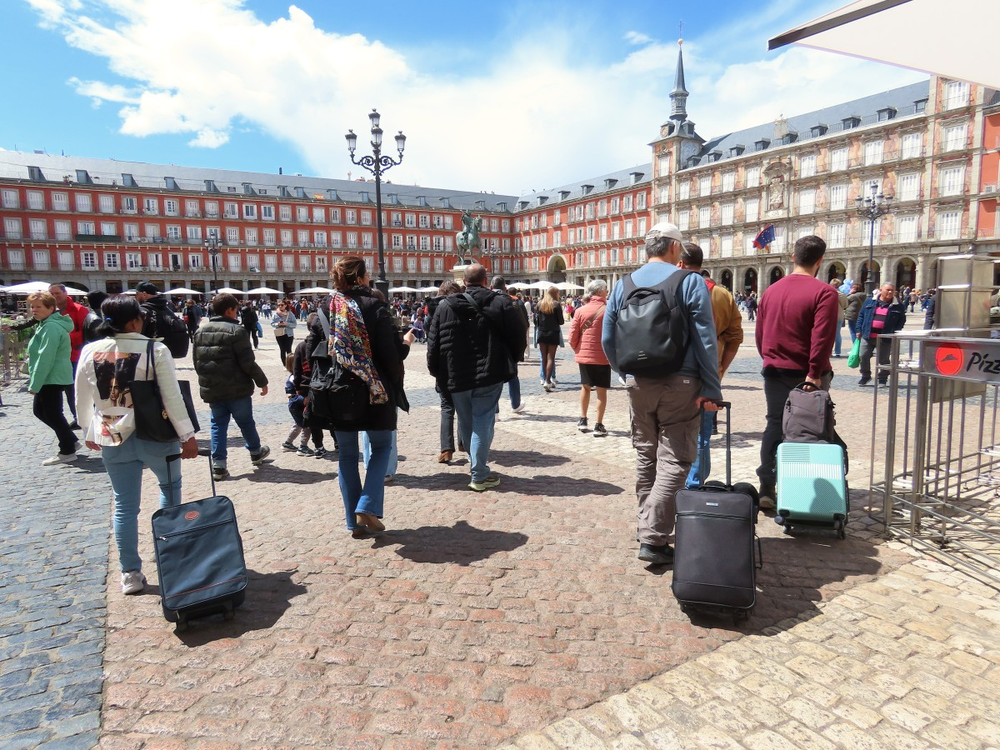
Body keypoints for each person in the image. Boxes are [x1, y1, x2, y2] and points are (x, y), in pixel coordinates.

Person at [602, 223, 722, 566]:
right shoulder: (690, 282)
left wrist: (625, 372)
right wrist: (711, 387)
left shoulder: (622, 285)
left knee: (646, 456)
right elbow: (705, 339)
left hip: (637, 383)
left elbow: (608, 337)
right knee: (676, 459)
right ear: (674, 248)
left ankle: (647, 527)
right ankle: (653, 537)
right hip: (681, 382)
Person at [75, 295, 198, 594]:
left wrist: (87, 428)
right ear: (134, 321)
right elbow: (171, 395)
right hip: (153, 431)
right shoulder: (155, 349)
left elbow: (81, 393)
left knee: (124, 506)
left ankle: (130, 572)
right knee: (170, 493)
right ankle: (171, 558)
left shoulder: (91, 349)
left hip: (111, 431)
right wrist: (187, 434)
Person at [327, 256, 413, 538]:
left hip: (340, 389)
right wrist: (406, 343)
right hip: (374, 388)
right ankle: (367, 505)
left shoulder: (330, 307)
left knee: (347, 456)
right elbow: (391, 354)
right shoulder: (374, 305)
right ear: (361, 277)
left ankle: (354, 522)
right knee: (381, 448)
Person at [427, 263, 528, 492]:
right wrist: (512, 359)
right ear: (486, 281)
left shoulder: (444, 306)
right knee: (483, 422)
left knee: (466, 421)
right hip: (489, 372)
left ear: (464, 282)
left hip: (456, 374)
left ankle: (477, 467)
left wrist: (436, 371)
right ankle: (479, 473)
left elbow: (433, 343)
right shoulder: (501, 302)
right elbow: (518, 335)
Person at [755, 236, 840, 508]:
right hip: (806, 373)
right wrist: (814, 373)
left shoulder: (770, 291)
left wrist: (770, 357)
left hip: (774, 369)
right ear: (820, 261)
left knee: (774, 423)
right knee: (809, 429)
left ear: (793, 257)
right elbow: (822, 338)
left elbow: (760, 335)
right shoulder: (824, 292)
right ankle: (802, 489)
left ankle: (767, 485)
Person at [677, 244, 743, 488]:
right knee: (703, 434)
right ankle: (695, 484)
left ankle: (674, 484)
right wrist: (721, 369)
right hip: (709, 373)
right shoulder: (722, 295)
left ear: (680, 263)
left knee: (672, 431)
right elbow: (736, 337)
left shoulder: (673, 288)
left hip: (675, 374)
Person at [193, 293, 270, 481]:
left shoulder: (200, 331)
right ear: (230, 310)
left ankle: (219, 464)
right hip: (237, 388)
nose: (237, 314)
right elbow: (247, 362)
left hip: (213, 388)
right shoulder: (237, 331)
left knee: (217, 425)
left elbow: (196, 361)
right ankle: (255, 452)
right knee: (245, 422)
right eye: (236, 311)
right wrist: (262, 381)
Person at [26, 291, 79, 465]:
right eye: (32, 306)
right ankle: (70, 440)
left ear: (50, 308)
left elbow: (45, 357)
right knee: (44, 411)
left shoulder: (51, 327)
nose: (34, 310)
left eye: (38, 307)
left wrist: (35, 383)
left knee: (52, 413)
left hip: (51, 376)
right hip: (52, 375)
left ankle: (68, 449)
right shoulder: (46, 324)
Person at [569, 279, 611, 436]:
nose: (607, 292)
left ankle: (583, 419)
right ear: (600, 292)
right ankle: (599, 425)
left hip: (585, 357)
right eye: (606, 289)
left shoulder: (580, 311)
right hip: (602, 356)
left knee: (585, 387)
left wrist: (577, 350)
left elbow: (572, 335)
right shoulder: (608, 310)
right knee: (601, 391)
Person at [427, 280, 463, 463]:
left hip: (443, 366)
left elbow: (431, 342)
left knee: (447, 407)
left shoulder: (434, 311)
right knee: (464, 406)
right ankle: (463, 442)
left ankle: (446, 449)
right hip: (463, 365)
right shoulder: (465, 307)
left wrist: (433, 368)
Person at [49, 283, 90, 429]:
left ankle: (81, 417)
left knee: (74, 388)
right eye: (51, 294)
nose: (54, 296)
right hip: (57, 356)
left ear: (65, 293)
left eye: (57, 293)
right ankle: (77, 416)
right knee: (66, 389)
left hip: (75, 355)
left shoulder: (79, 309)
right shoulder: (50, 311)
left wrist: (65, 337)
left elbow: (87, 333)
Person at [857, 282, 907, 386]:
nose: (890, 292)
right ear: (881, 290)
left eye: (892, 290)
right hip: (868, 335)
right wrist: (858, 329)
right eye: (887, 290)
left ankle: (882, 378)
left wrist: (895, 330)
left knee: (884, 360)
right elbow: (861, 316)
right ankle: (865, 376)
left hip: (885, 337)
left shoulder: (898, 305)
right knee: (863, 355)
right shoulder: (870, 301)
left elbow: (902, 320)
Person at [491, 276, 526, 414]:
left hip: (492, 345)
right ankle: (515, 404)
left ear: (491, 287)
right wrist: (520, 349)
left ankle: (495, 411)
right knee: (512, 375)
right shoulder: (513, 303)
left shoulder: (486, 301)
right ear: (505, 288)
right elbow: (522, 326)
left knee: (493, 378)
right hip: (510, 346)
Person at [135, 281, 189, 359]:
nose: (135, 297)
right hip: (165, 353)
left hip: (147, 354)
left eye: (137, 294)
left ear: (144, 294)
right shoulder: (166, 308)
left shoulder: (143, 310)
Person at [535, 286, 564, 392]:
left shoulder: (539, 304)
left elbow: (535, 321)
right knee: (551, 357)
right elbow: (561, 321)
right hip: (553, 332)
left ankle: (544, 379)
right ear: (555, 293)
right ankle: (548, 380)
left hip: (542, 332)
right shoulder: (556, 305)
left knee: (544, 357)